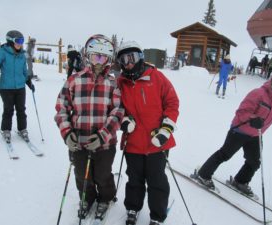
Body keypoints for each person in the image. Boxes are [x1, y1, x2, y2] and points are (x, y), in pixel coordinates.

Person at [54, 34, 124, 220]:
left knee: (102, 175)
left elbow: (117, 112)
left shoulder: (112, 83)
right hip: (78, 141)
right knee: (82, 176)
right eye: (95, 56)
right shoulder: (74, 80)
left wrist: (103, 135)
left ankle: (106, 198)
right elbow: (61, 108)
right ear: (88, 56)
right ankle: (87, 197)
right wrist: (67, 133)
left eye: (103, 57)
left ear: (108, 59)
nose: (98, 62)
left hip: (104, 143)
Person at [116, 41, 179, 225]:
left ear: (140, 57)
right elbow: (115, 108)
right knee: (134, 179)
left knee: (156, 180)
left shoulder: (156, 77)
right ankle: (133, 209)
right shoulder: (120, 83)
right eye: (124, 59)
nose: (128, 63)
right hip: (133, 143)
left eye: (132, 58)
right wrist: (124, 120)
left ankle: (157, 216)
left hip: (156, 141)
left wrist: (166, 128)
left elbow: (172, 102)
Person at [196, 74, 272, 196]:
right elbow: (241, 112)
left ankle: (240, 181)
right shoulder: (258, 93)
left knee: (254, 162)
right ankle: (203, 174)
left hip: (256, 135)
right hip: (240, 130)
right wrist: (253, 118)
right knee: (224, 154)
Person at [0, 30, 35, 142]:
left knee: (21, 109)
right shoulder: (2, 53)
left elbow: (24, 70)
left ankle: (22, 129)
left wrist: (28, 81)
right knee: (8, 109)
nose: (20, 43)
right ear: (10, 41)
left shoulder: (22, 55)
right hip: (6, 87)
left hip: (20, 87)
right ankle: (6, 130)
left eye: (22, 41)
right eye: (18, 41)